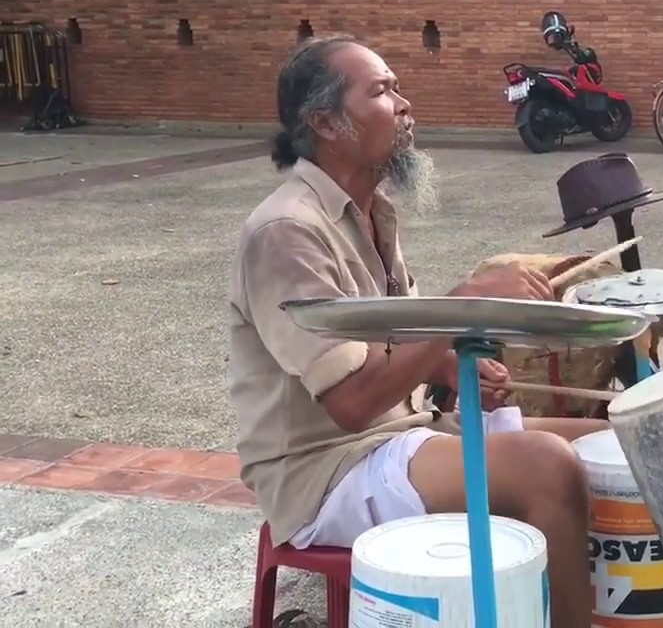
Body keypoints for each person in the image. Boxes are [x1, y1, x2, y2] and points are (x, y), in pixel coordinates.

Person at [227, 34, 605, 627]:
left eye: (398, 88)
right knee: (545, 465)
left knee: (610, 442)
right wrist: (465, 306)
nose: (404, 105)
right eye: (381, 91)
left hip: (404, 434)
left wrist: (451, 364)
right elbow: (352, 404)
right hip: (324, 470)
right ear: (325, 122)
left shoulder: (374, 212)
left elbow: (391, 342)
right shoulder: (286, 231)